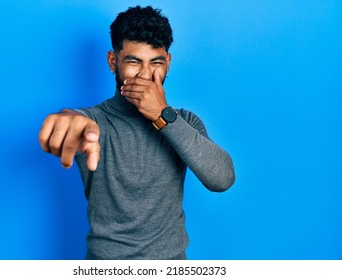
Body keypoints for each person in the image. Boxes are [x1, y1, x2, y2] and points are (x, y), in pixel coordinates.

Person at [38, 5, 235, 260]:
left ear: (168, 64)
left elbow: (222, 179)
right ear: (113, 62)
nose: (144, 75)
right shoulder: (95, 121)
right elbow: (76, 119)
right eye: (134, 62)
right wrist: (69, 119)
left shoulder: (183, 121)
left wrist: (163, 115)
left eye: (156, 63)